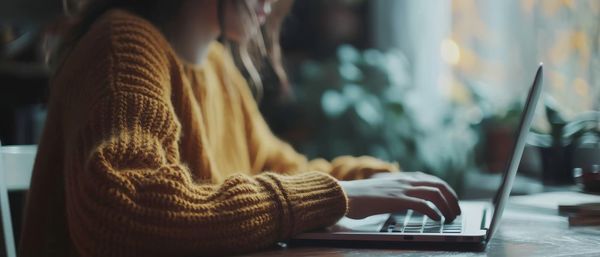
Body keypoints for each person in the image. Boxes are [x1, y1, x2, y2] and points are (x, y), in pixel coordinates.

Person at [19, 0, 461, 256]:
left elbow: (277, 168)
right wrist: (333, 197)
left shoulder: (215, 65)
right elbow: (123, 206)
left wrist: (376, 183)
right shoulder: (122, 46)